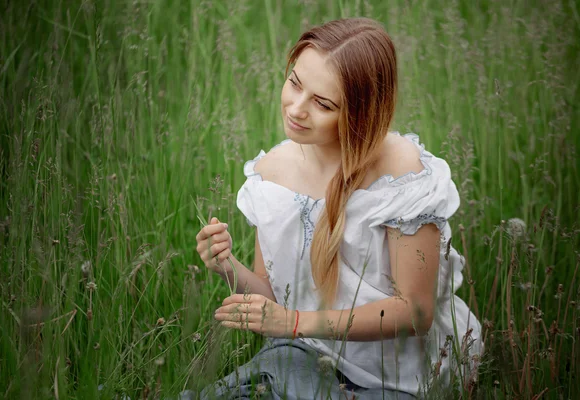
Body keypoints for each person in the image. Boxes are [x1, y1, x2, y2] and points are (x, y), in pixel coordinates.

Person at [192, 17, 483, 400]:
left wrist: (295, 323)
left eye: (323, 103)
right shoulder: (271, 175)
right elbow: (276, 296)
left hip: (398, 374)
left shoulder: (403, 178)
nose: (296, 109)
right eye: (294, 83)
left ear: (361, 112)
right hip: (310, 350)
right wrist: (226, 266)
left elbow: (415, 312)